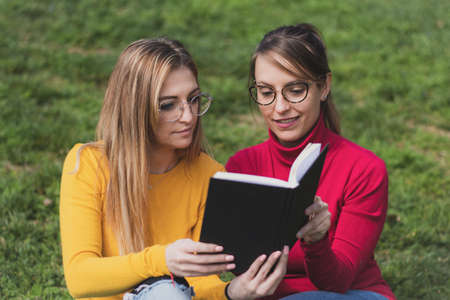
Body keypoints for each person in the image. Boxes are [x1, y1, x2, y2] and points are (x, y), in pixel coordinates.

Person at [59, 37, 288, 300]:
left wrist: (231, 292)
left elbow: (198, 285)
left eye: (193, 99)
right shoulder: (88, 164)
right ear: (135, 109)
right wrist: (163, 259)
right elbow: (79, 277)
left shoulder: (208, 174)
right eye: (168, 105)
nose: (188, 116)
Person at [225, 24, 396, 300]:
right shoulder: (242, 167)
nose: (279, 107)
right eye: (266, 93)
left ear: (324, 86)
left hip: (352, 293)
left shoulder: (364, 169)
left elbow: (338, 281)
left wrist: (316, 241)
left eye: (295, 90)